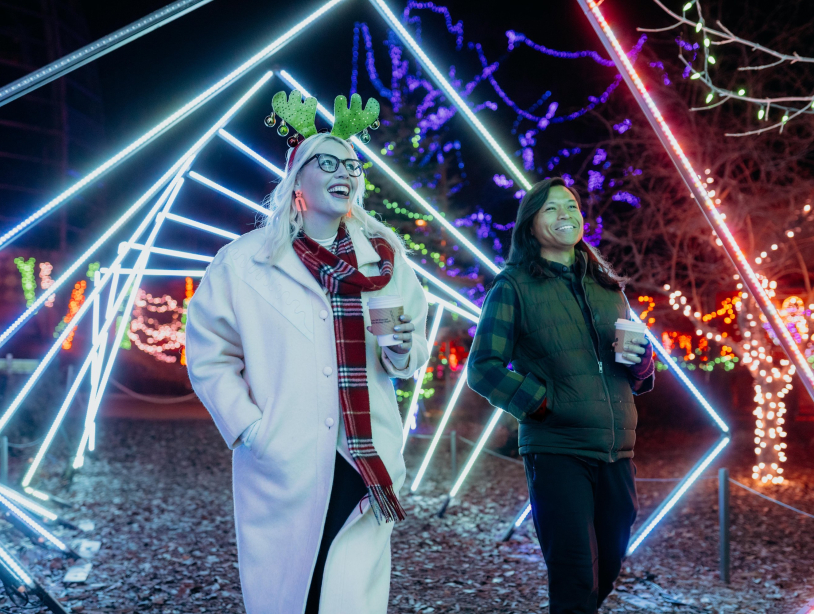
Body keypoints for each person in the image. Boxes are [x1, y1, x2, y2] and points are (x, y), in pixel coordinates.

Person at [185, 93, 428, 614]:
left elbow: (408, 358)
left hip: (365, 453)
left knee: (348, 590)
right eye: (328, 161)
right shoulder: (245, 262)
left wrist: (404, 349)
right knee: (295, 586)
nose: (345, 172)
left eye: (352, 164)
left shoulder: (385, 259)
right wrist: (251, 428)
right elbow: (210, 354)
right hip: (284, 454)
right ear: (297, 177)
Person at [467, 177, 655, 614]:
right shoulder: (513, 285)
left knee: (607, 567)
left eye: (570, 205)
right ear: (530, 225)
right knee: (574, 574)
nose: (564, 214)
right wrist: (542, 403)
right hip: (557, 450)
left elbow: (642, 372)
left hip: (616, 450)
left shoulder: (609, 288)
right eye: (550, 209)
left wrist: (642, 361)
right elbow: (483, 368)